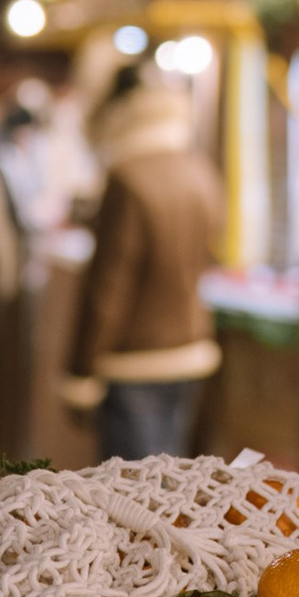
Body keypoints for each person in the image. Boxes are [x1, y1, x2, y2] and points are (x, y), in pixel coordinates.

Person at [60, 67, 224, 462]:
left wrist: (80, 371)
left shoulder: (127, 178)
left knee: (130, 502)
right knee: (168, 491)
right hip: (190, 348)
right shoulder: (199, 172)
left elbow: (109, 287)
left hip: (133, 360)